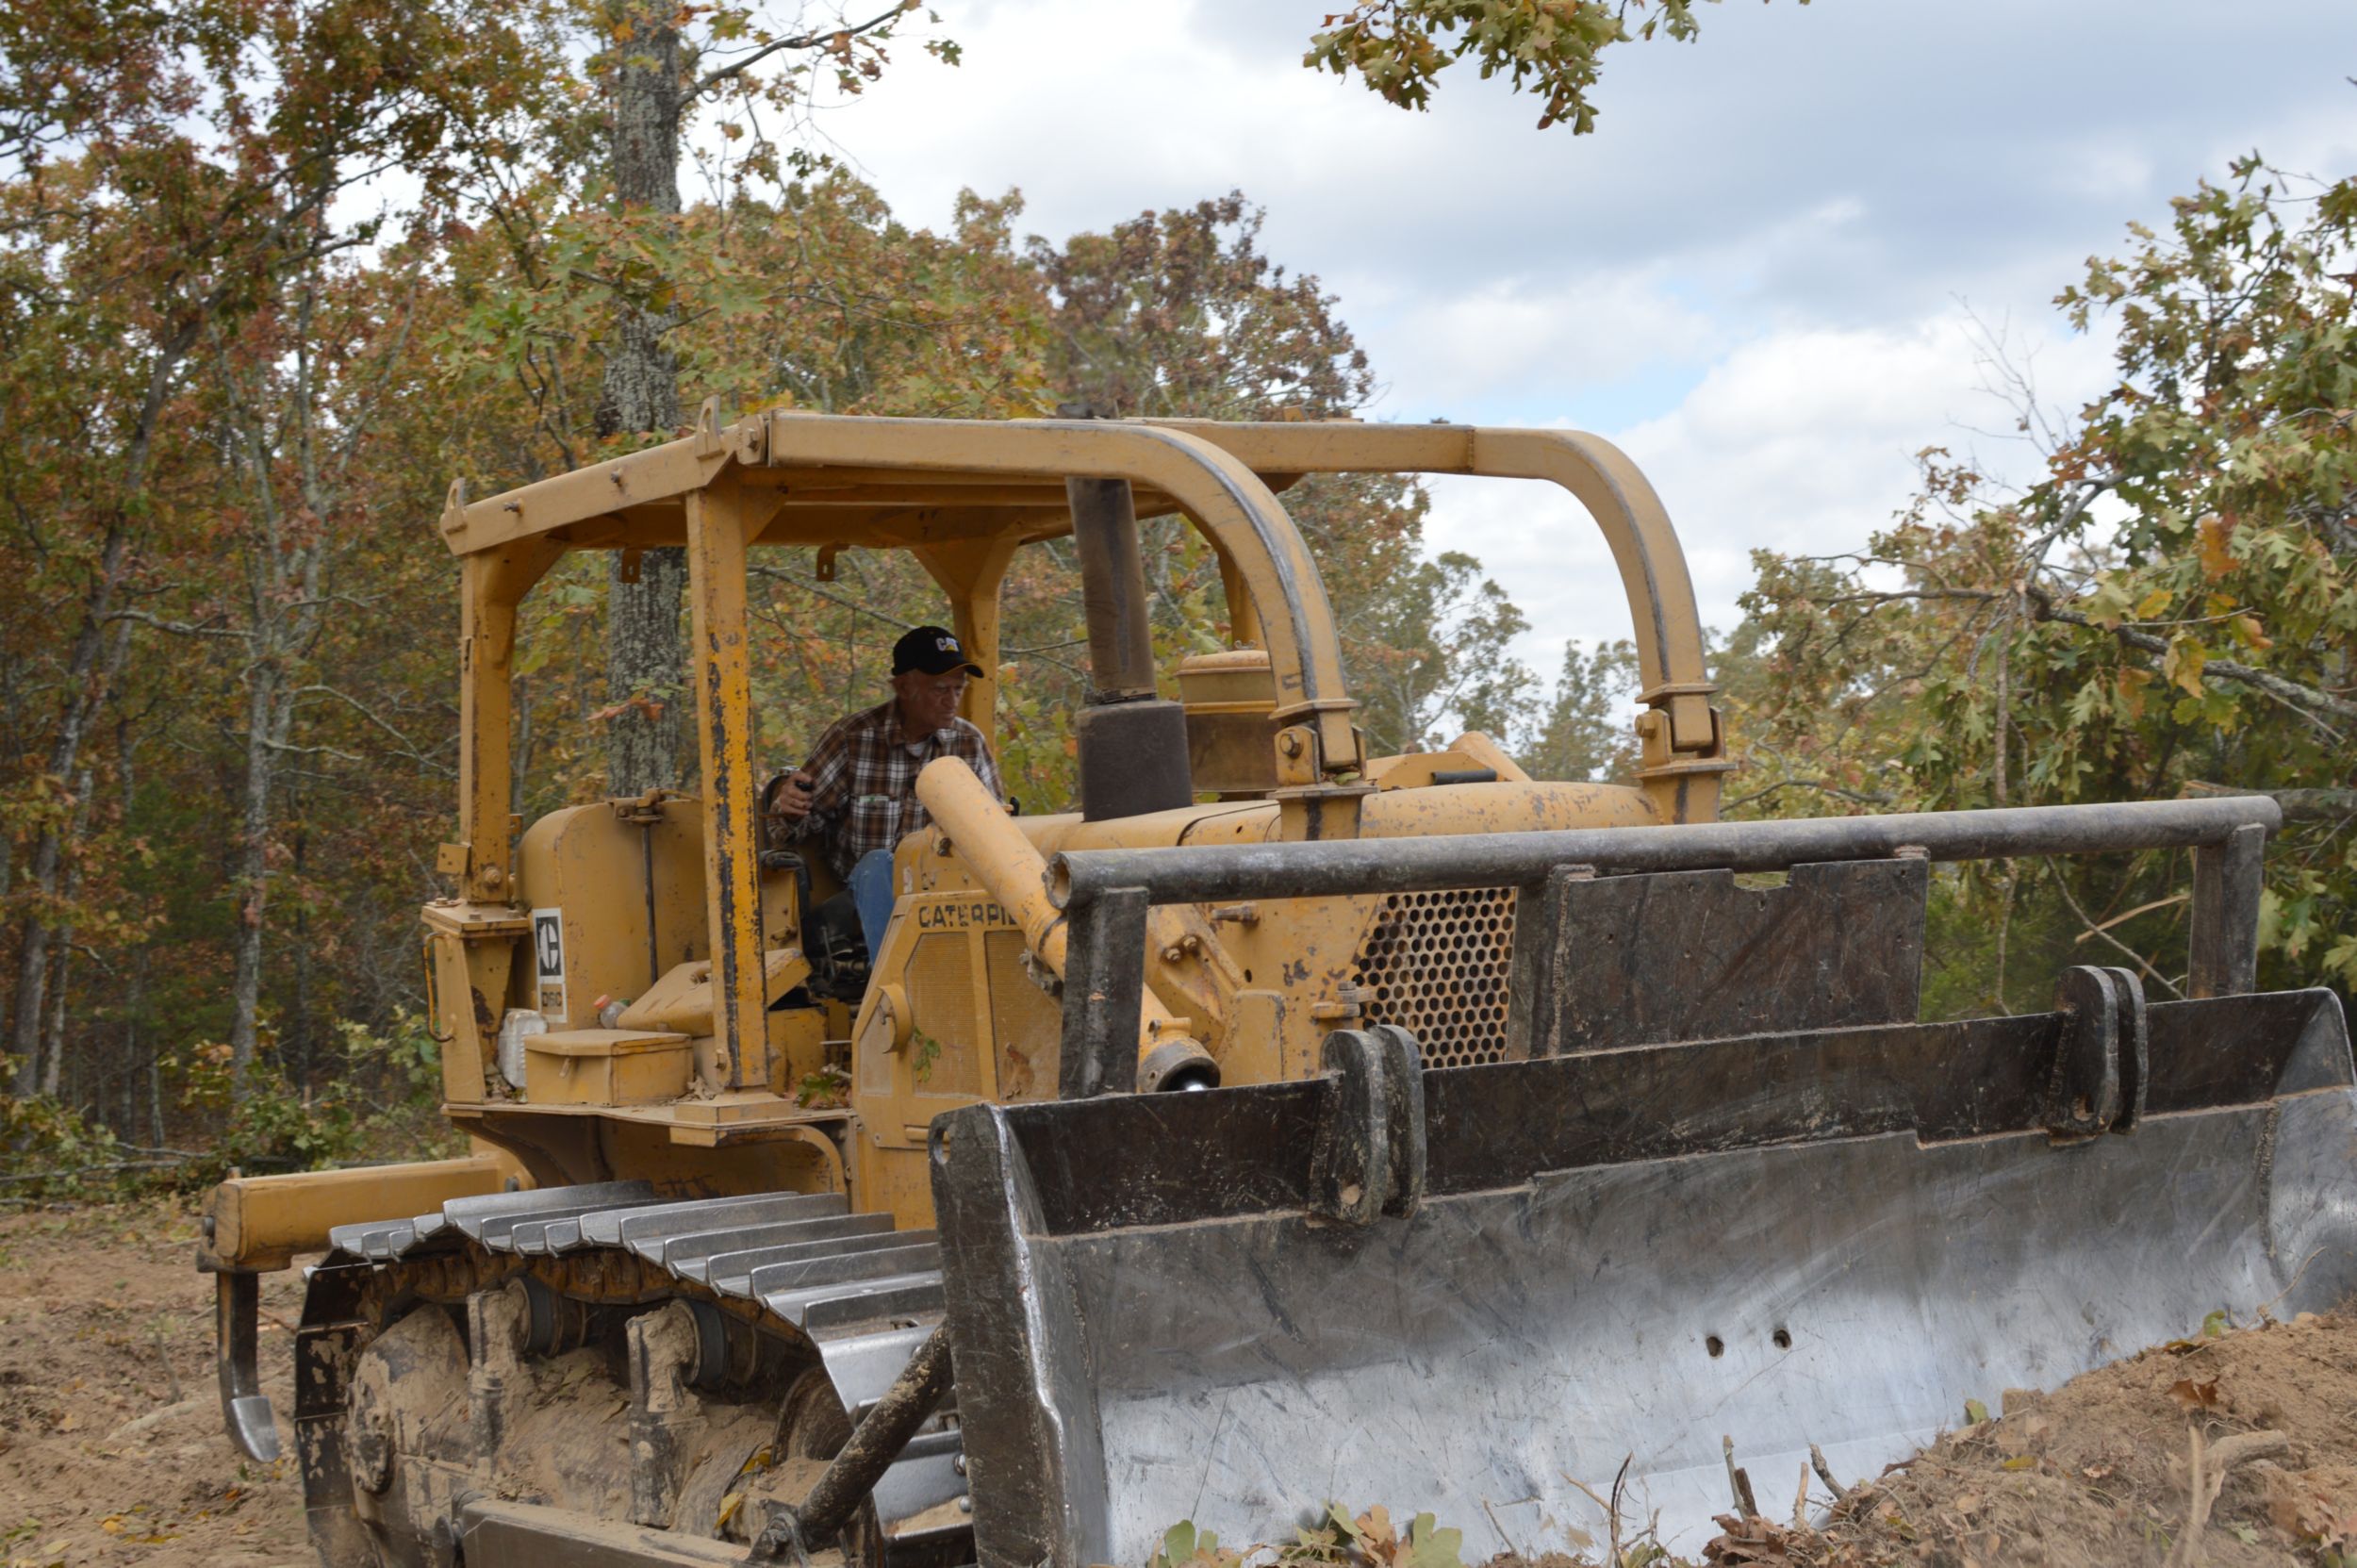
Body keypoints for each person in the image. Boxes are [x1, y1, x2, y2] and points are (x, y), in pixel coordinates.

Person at [770, 624, 1003, 960]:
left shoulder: (969, 743)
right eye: (940, 689)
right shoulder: (853, 738)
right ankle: (898, 985)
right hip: (861, 893)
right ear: (904, 686)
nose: (952, 700)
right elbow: (788, 829)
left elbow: (997, 831)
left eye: (958, 688)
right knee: (879, 863)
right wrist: (791, 809)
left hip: (944, 891)